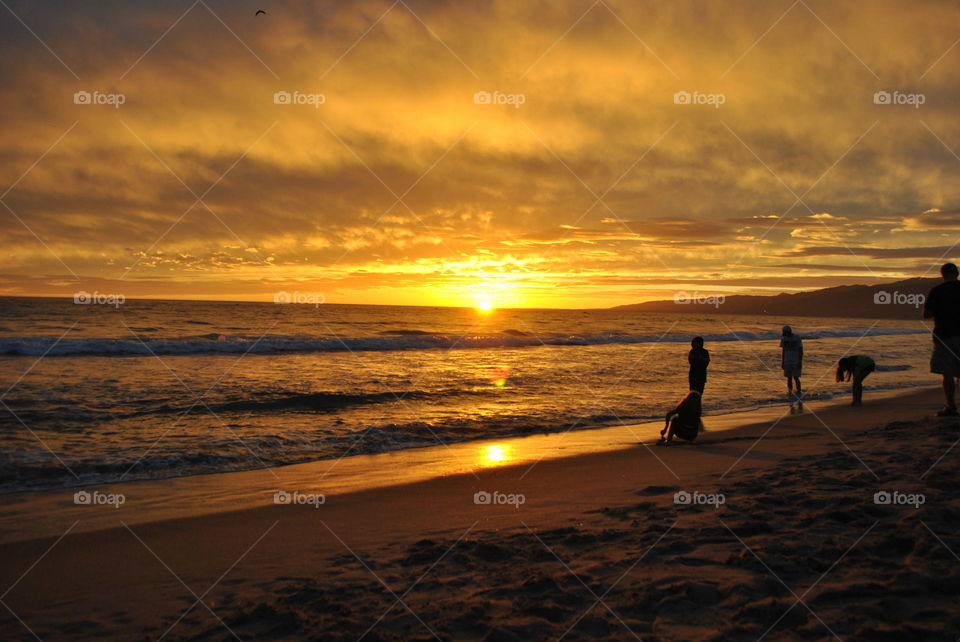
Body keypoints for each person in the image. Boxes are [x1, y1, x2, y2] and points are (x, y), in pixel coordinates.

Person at [923, 262, 960, 417]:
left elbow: (927, 314)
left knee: (947, 373)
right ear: (957, 274)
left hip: (944, 335)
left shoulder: (937, 291)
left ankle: (951, 407)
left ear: (942, 274)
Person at [780, 325, 803, 398]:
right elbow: (783, 351)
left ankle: (799, 392)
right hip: (787, 361)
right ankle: (790, 392)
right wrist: (783, 362)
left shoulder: (797, 337)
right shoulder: (783, 339)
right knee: (789, 378)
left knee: (796, 377)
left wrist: (800, 361)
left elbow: (801, 350)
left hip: (795, 361)